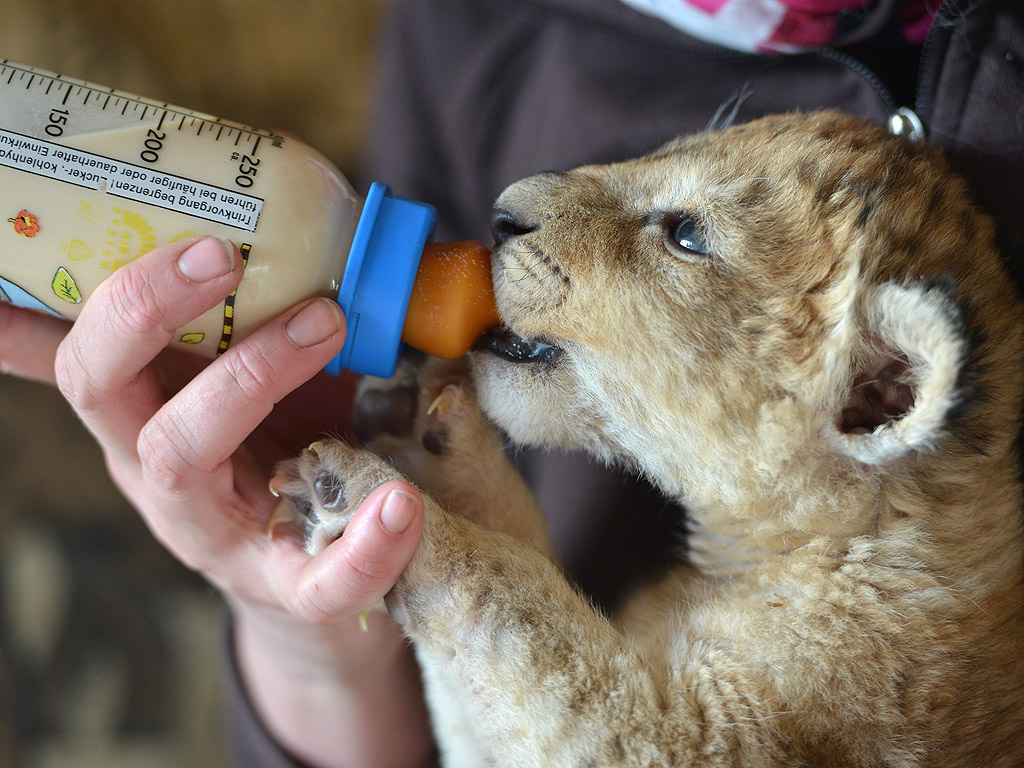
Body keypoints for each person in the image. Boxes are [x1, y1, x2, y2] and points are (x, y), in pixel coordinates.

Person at [2, 1, 1022, 767]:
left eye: (681, 235)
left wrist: (449, 562)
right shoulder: (469, 29)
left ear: (878, 395)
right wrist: (318, 629)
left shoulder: (887, 652)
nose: (531, 200)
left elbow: (634, 746)